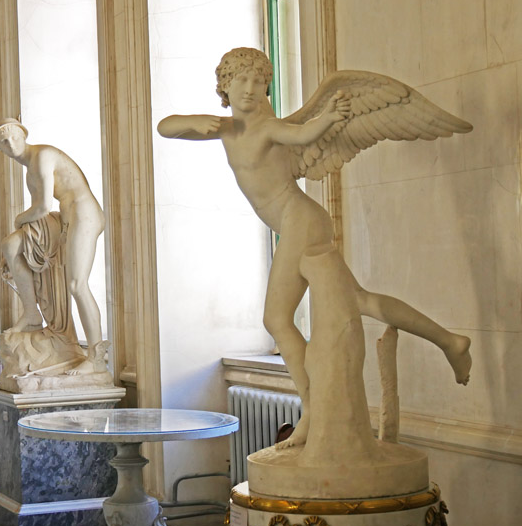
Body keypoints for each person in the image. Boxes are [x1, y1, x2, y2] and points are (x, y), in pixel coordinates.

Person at [157, 47, 472, 447]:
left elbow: (300, 134)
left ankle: (313, 408)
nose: (251, 90)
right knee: (361, 300)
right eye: (241, 81)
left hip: (299, 220)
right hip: (299, 225)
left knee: (276, 318)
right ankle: (450, 340)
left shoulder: (269, 128)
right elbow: (165, 127)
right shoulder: (226, 128)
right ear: (225, 85)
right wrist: (197, 121)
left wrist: (330, 118)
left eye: (258, 81)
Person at [0, 118, 106, 371]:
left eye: (14, 137)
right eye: (3, 142)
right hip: (64, 218)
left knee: (77, 284)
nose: (11, 144)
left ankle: (96, 358)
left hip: (83, 213)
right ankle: (32, 314)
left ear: (24, 135)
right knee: (10, 245)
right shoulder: (30, 168)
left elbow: (43, 207)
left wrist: (19, 219)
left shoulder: (42, 155)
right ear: (0, 150)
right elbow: (40, 211)